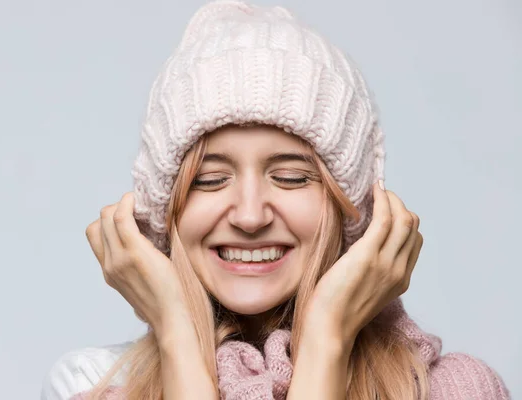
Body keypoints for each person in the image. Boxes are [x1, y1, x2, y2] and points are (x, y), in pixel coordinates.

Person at [41, 1, 511, 399]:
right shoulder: (95, 385)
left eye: (290, 177)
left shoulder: (451, 389)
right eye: (208, 180)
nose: (249, 215)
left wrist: (328, 337)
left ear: (354, 210)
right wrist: (178, 335)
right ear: (164, 211)